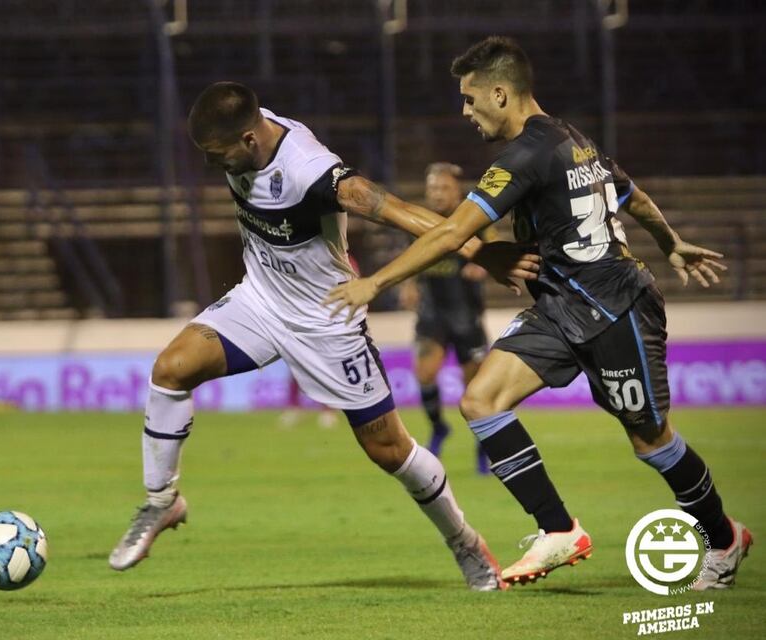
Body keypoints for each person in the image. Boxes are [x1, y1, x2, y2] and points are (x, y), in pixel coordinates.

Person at [325, 36, 750, 590]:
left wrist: (375, 282)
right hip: (559, 306)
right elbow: (634, 195)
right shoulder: (573, 140)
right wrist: (670, 242)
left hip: (616, 308)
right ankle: (559, 529)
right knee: (480, 400)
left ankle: (724, 537)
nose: (465, 111)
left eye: (470, 98)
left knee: (651, 440)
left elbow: (453, 232)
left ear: (500, 94)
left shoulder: (523, 156)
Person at [109, 81, 540, 591]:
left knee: (390, 451)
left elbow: (395, 209)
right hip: (261, 301)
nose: (211, 164)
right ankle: (162, 500)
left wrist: (479, 251)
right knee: (171, 369)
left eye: (217, 154)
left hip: (326, 318)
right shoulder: (250, 127)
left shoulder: (308, 170)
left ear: (249, 139)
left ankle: (465, 542)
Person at [398, 162, 493, 473]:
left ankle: (483, 444)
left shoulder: (474, 220)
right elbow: (410, 259)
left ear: (457, 191)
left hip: (466, 315)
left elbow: (496, 250)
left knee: (475, 390)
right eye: (433, 188)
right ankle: (439, 427)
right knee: (424, 373)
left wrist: (484, 264)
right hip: (432, 313)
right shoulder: (419, 221)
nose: (437, 194)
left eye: (444, 188)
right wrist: (409, 285)